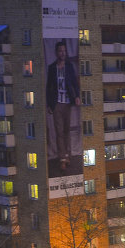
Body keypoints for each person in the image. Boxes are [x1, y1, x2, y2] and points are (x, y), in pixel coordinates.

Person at [45, 40, 81, 172]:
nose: (63, 53)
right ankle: (62, 159)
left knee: (66, 131)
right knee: (59, 132)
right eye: (60, 51)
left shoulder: (69, 66)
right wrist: (49, 104)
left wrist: (77, 96)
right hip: (57, 104)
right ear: (56, 52)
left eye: (64, 51)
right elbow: (49, 87)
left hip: (67, 103)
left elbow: (74, 83)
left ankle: (67, 156)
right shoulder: (52, 67)